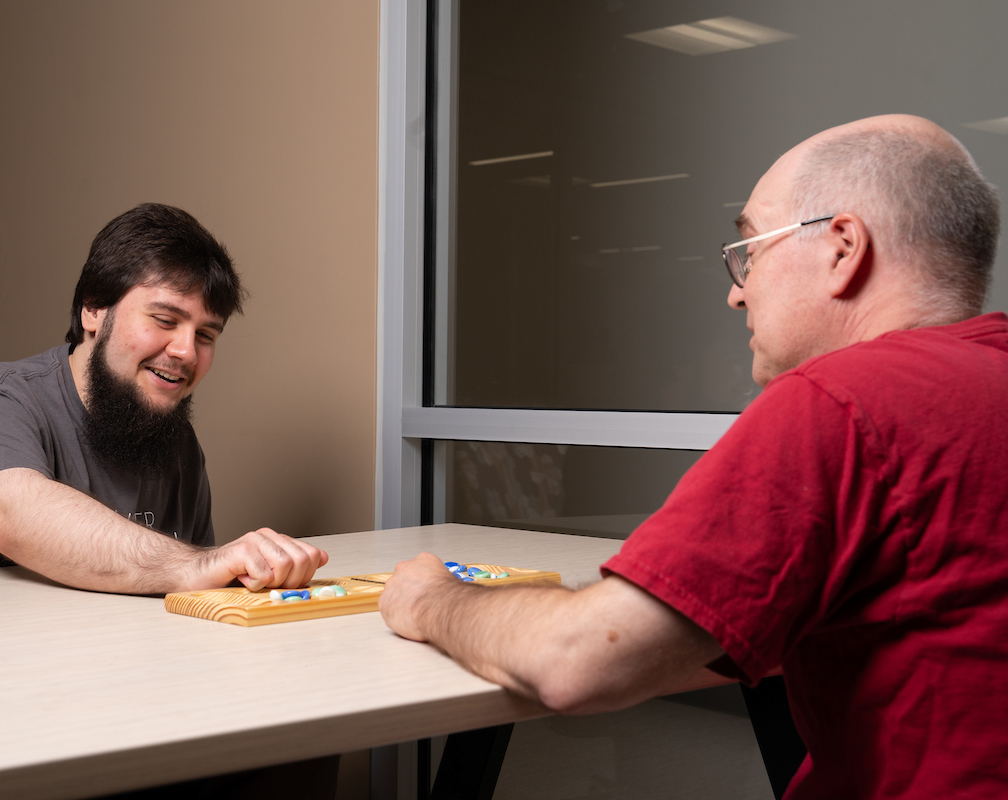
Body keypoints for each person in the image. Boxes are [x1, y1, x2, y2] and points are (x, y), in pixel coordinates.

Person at [379, 114, 1006, 799]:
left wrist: (432, 600)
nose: (736, 290)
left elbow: (576, 663)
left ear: (842, 248)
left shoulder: (840, 400)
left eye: (750, 250)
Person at [0, 202, 326, 595]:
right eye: (164, 319)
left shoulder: (177, 442)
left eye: (206, 334)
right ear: (93, 310)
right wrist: (196, 564)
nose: (187, 351)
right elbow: (14, 518)